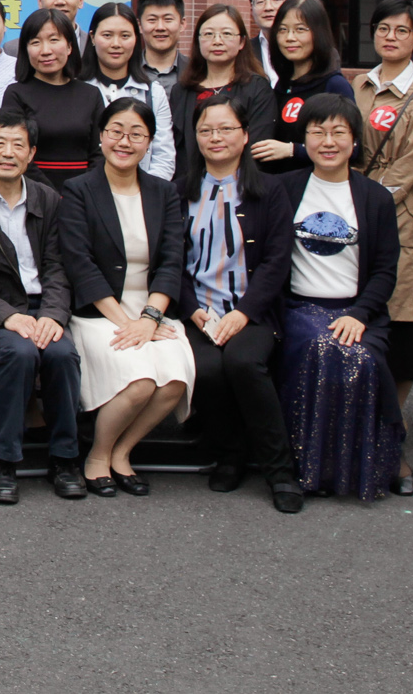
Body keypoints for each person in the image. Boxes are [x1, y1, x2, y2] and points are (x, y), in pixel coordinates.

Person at [0, 108, 85, 504]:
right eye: (0, 144)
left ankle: (65, 458)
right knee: (19, 353)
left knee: (61, 353)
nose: (8, 153)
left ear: (31, 153)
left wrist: (53, 315)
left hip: (42, 306)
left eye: (18, 145)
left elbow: (58, 267)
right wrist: (7, 316)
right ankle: (4, 461)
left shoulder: (47, 198)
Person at [57, 99, 194, 497]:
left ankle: (122, 453)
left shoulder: (164, 192)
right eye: (116, 131)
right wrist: (129, 324)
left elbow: (171, 260)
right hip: (101, 313)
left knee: (173, 380)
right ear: (101, 137)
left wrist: (149, 320)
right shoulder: (79, 190)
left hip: (152, 311)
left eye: (136, 134)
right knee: (140, 382)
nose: (124, 141)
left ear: (149, 142)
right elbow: (80, 264)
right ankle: (98, 456)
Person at [175, 95, 305, 513]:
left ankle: (280, 471)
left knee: (244, 362)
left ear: (245, 135)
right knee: (208, 369)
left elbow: (276, 261)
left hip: (251, 312)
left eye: (226, 129)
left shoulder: (269, 190)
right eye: (206, 130)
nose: (216, 137)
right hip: (198, 313)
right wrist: (191, 308)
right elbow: (169, 261)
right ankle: (229, 455)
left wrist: (243, 312)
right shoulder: (179, 191)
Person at [276, 95, 404, 501]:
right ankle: (310, 467)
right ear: (305, 139)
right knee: (322, 346)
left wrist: (361, 314)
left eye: (338, 132)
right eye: (317, 132)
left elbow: (385, 270)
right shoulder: (284, 188)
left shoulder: (375, 198)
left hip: (355, 310)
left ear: (354, 140)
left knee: (360, 357)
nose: (327, 142)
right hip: (296, 307)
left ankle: (370, 464)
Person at [354, 0, 413, 455]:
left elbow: (412, 163)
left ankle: (391, 428)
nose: (391, 37)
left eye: (402, 30)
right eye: (383, 28)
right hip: (350, 214)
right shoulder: (358, 84)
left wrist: (366, 202)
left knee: (401, 325)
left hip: (398, 219)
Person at [1, 8, 102, 190]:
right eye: (35, 42)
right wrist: (50, 195)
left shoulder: (91, 94)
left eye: (54, 40)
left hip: (85, 193)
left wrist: (81, 193)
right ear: (25, 49)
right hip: (33, 193)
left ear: (69, 46)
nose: (46, 50)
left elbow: (100, 152)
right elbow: (14, 150)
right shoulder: (16, 94)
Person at [253, 0, 355, 176]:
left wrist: (293, 150)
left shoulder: (334, 85)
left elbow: (354, 149)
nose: (290, 38)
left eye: (300, 29)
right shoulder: (281, 86)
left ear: (318, 33)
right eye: (283, 30)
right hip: (277, 187)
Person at [79, 1, 175, 179]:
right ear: (92, 37)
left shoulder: (153, 93)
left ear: (136, 39)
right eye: (107, 35)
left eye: (125, 36)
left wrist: (141, 191)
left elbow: (164, 158)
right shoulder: (76, 89)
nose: (116, 44)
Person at [169, 4, 276, 160]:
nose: (217, 41)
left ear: (242, 42)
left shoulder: (257, 88)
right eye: (208, 34)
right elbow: (176, 147)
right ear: (198, 40)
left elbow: (258, 146)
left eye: (226, 34)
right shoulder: (182, 90)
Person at [247, 0, 299, 78]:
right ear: (251, 9)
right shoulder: (242, 53)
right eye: (260, 1)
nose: (268, 7)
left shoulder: (314, 51)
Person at [136, 0, 188, 95]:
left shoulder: (197, 71)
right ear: (139, 25)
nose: (160, 27)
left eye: (168, 19)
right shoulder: (126, 69)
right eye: (152, 20)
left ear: (182, 24)